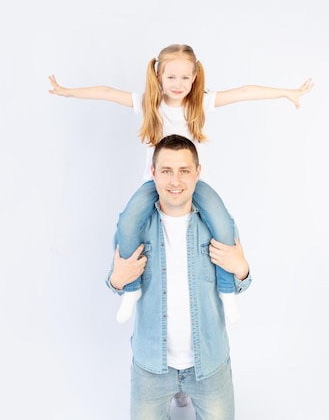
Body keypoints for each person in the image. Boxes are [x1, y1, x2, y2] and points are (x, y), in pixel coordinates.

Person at [49, 43, 313, 323]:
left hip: (194, 184)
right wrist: (68, 92)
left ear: (195, 77)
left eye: (185, 78)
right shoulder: (148, 103)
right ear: (159, 76)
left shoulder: (200, 103)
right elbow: (106, 92)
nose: (178, 84)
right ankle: (131, 289)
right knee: (127, 223)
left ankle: (227, 292)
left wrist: (287, 93)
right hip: (156, 183)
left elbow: (244, 91)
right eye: (171, 77)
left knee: (223, 223)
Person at [106, 134, 251, 420]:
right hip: (151, 366)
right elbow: (113, 282)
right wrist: (117, 280)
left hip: (209, 364)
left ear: (198, 172)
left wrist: (242, 268)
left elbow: (242, 278)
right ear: (153, 173)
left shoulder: (217, 225)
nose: (176, 181)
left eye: (184, 171)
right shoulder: (136, 229)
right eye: (167, 171)